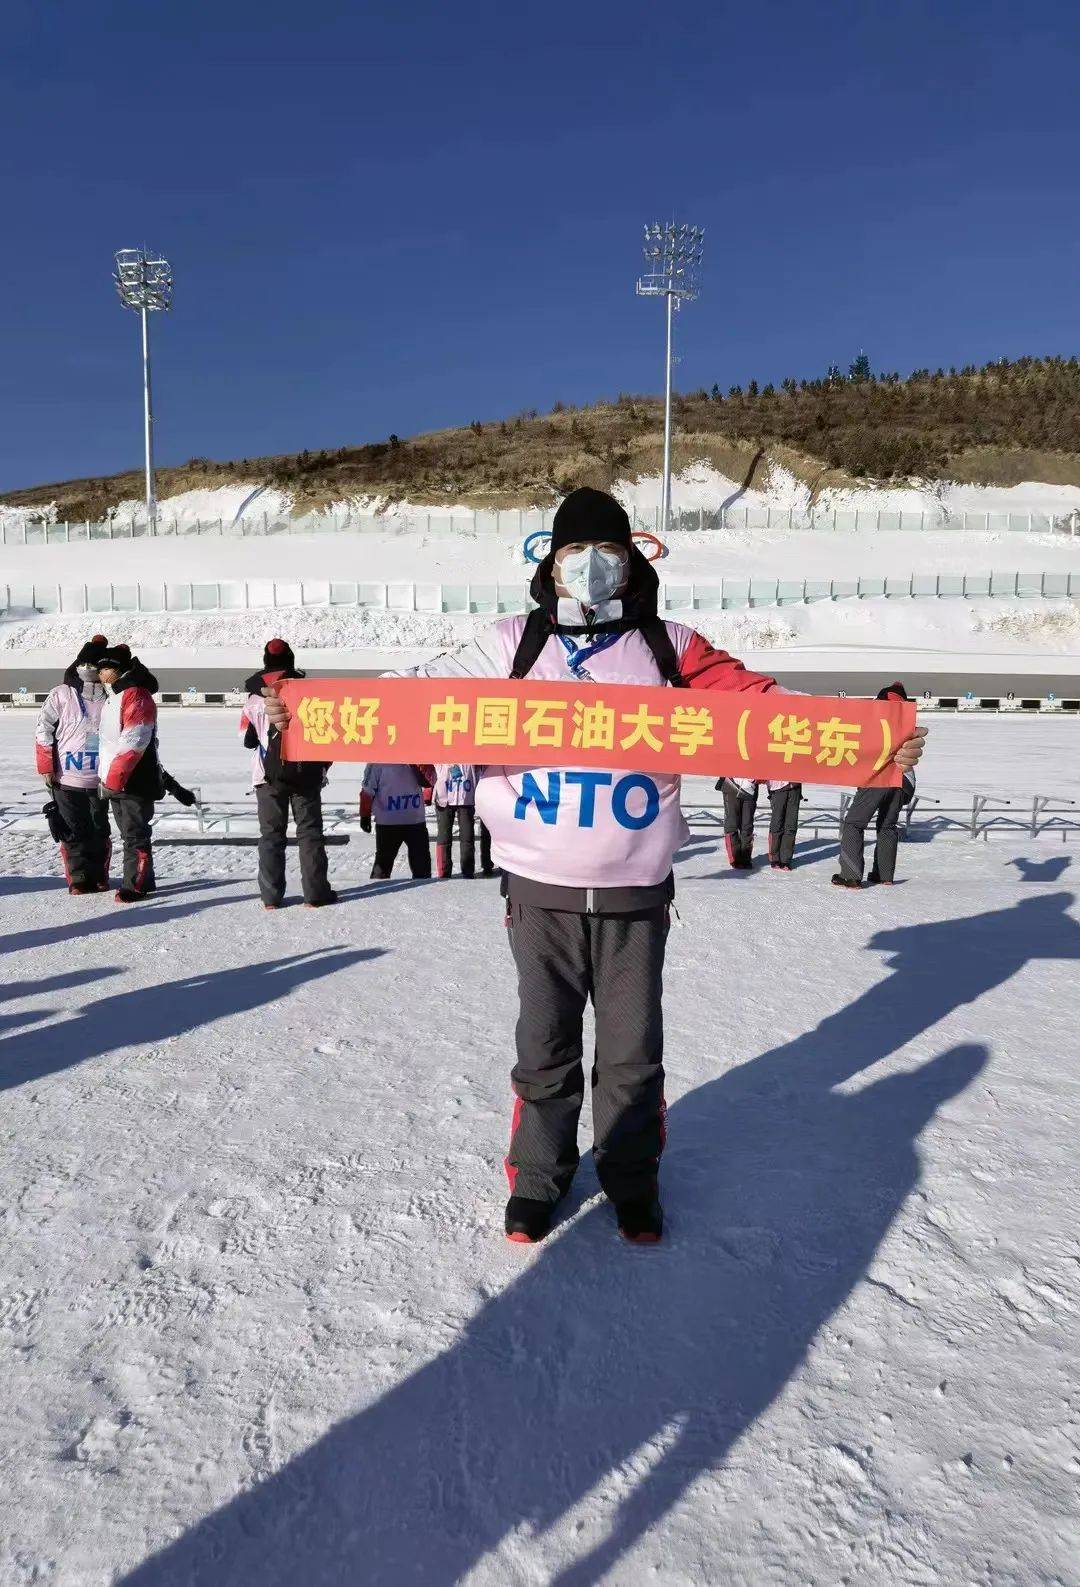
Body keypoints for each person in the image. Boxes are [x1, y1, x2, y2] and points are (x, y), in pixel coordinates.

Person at [263, 487, 927, 1244]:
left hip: (635, 897)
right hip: (537, 893)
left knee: (631, 1054)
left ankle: (631, 1180)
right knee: (544, 1047)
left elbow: (770, 713)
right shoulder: (511, 642)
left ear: (634, 562)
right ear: (549, 565)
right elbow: (411, 697)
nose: (591, 568)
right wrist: (306, 712)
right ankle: (540, 1178)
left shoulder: (670, 646)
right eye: (574, 552)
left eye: (608, 552)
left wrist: (876, 740)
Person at [241, 638, 336, 910]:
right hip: (305, 773)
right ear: (292, 662)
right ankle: (315, 894)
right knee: (310, 833)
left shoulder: (254, 697)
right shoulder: (307, 692)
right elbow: (322, 733)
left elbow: (248, 740)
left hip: (267, 776)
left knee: (271, 835)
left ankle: (271, 897)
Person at [34, 634, 112, 893]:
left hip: (101, 777)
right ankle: (79, 879)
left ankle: (99, 875)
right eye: (84, 664)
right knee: (72, 830)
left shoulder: (112, 696)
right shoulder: (61, 694)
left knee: (99, 830)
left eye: (94, 666)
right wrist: (46, 765)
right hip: (66, 777)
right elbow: (43, 728)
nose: (88, 670)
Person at [833, 682, 916, 889]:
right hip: (904, 780)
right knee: (887, 826)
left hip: (881, 777)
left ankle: (850, 875)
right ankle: (884, 874)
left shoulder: (876, 722)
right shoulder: (906, 723)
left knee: (854, 823)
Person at [97, 645, 161, 903]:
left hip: (134, 778)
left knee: (135, 833)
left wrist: (114, 777)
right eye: (100, 668)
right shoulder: (114, 695)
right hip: (116, 777)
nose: (101, 673)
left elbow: (134, 739)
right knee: (128, 833)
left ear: (120, 669)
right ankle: (144, 879)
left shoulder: (135, 694)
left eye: (106, 668)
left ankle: (134, 885)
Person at [360, 764, 433, 880]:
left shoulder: (417, 755)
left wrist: (365, 815)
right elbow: (367, 791)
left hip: (412, 820)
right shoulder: (377, 761)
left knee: (421, 868)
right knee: (383, 866)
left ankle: (424, 893)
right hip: (391, 822)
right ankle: (378, 894)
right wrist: (365, 815)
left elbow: (430, 780)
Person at [432, 762, 495, 878]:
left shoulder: (471, 750)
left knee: (467, 836)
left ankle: (467, 871)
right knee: (444, 835)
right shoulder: (441, 749)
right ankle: (444, 873)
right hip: (444, 797)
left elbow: (480, 767)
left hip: (466, 796)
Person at [718, 776, 758, 869]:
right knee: (732, 824)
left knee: (747, 825)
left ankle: (746, 858)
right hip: (731, 784)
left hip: (750, 786)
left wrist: (756, 779)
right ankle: (735, 859)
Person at [767, 779, 802, 870]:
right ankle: (774, 858)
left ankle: (786, 860)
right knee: (777, 823)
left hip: (795, 786)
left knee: (791, 824)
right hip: (778, 787)